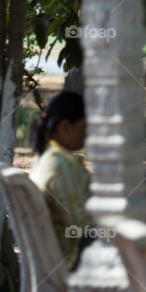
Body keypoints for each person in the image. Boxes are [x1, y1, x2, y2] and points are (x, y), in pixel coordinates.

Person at [28, 91, 91, 268]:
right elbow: (77, 224)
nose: (87, 135)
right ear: (65, 127)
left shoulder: (46, 156)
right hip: (71, 254)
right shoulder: (60, 163)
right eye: (84, 127)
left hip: (56, 248)